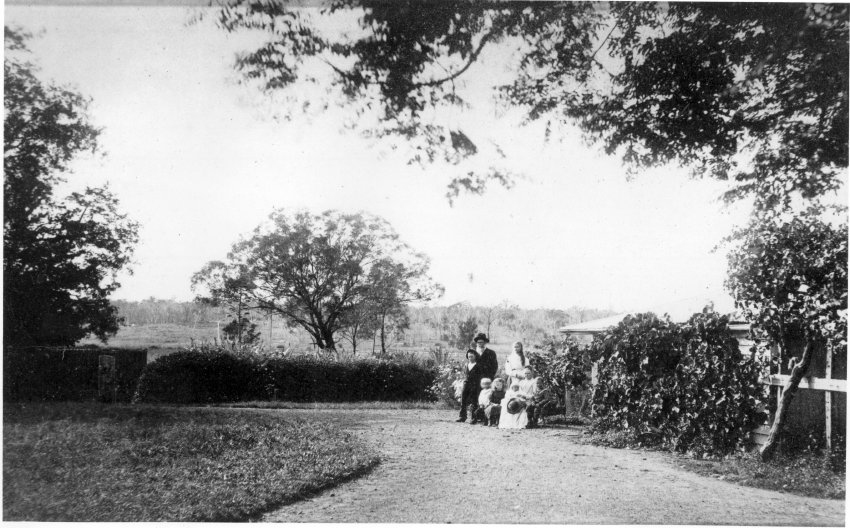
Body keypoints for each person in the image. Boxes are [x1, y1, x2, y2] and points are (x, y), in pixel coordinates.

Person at [456, 350, 486, 423]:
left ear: (475, 356)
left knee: (474, 401)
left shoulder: (478, 365)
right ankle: (462, 416)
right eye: (469, 356)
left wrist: (478, 385)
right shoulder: (466, 365)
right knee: (463, 400)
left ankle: (474, 418)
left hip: (475, 385)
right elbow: (465, 374)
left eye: (472, 356)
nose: (470, 358)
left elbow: (481, 376)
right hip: (466, 384)